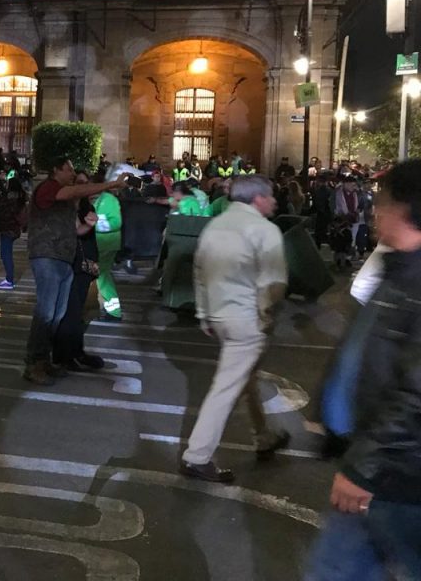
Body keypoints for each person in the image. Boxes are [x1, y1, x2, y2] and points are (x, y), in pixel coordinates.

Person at [305, 160, 421, 580]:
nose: (375, 210)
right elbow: (361, 355)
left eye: (383, 202)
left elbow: (415, 392)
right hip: (375, 463)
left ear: (405, 209)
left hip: (395, 474)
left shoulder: (414, 279)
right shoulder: (397, 269)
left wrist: (362, 469)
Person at [180, 175, 290, 482]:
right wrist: (266, 315)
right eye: (270, 196)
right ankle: (197, 456)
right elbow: (273, 283)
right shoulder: (266, 230)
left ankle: (263, 436)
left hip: (219, 315)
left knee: (245, 378)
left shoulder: (214, 226)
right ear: (257, 199)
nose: (274, 201)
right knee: (227, 386)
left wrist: (204, 314)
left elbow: (199, 272)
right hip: (247, 317)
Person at [24, 157, 126, 386]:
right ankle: (34, 362)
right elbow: (72, 192)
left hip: (63, 259)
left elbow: (74, 230)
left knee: (57, 314)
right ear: (55, 170)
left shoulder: (65, 200)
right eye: (68, 169)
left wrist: (88, 225)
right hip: (47, 256)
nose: (71, 173)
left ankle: (46, 359)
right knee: (46, 313)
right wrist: (110, 185)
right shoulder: (50, 188)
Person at [55, 171, 106, 372]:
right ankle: (64, 356)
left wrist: (94, 262)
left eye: (86, 183)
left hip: (85, 266)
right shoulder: (66, 207)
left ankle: (76, 352)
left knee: (81, 313)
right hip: (71, 264)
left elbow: (89, 238)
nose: (84, 187)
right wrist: (89, 224)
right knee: (70, 312)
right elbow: (77, 232)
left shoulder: (87, 206)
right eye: (80, 183)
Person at [93, 175, 124, 320]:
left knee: (102, 276)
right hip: (102, 243)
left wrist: (93, 225)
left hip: (106, 244)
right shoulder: (101, 199)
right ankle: (107, 307)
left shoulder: (109, 200)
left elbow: (116, 222)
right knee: (102, 276)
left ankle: (113, 311)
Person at [0, 175, 27, 290]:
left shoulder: (11, 199)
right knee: (6, 253)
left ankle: (9, 280)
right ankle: (9, 279)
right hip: (12, 229)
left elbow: (3, 211)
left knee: (6, 254)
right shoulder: (19, 198)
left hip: (8, 229)